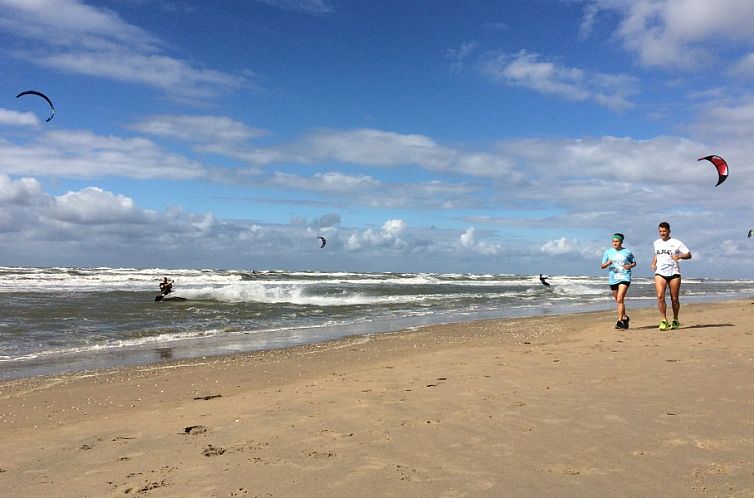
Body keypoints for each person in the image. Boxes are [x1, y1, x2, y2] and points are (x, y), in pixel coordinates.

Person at [650, 222, 691, 331]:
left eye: (664, 231)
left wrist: (679, 256)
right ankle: (663, 320)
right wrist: (653, 263)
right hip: (660, 272)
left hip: (674, 273)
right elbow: (656, 254)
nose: (662, 233)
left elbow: (688, 254)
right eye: (660, 231)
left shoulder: (676, 243)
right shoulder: (656, 243)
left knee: (674, 298)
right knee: (660, 296)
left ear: (669, 231)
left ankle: (675, 319)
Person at [601, 233, 636, 329]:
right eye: (613, 241)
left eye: (616, 241)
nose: (614, 243)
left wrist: (630, 266)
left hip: (625, 277)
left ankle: (619, 321)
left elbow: (634, 262)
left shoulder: (627, 252)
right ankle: (625, 317)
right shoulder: (608, 252)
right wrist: (608, 262)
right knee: (618, 301)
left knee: (620, 299)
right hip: (613, 278)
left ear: (621, 242)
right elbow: (602, 266)